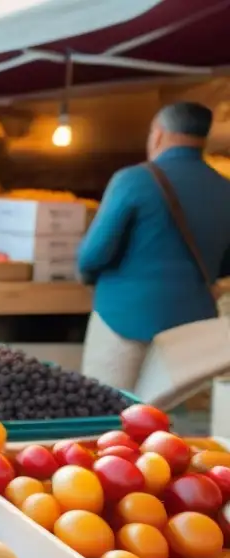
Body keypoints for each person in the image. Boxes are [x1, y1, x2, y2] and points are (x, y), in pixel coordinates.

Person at [79, 102, 230, 391]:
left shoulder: (134, 180)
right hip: (191, 325)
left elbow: (93, 254)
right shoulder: (226, 189)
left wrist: (88, 278)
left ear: (158, 134)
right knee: (160, 422)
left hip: (123, 318)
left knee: (106, 412)